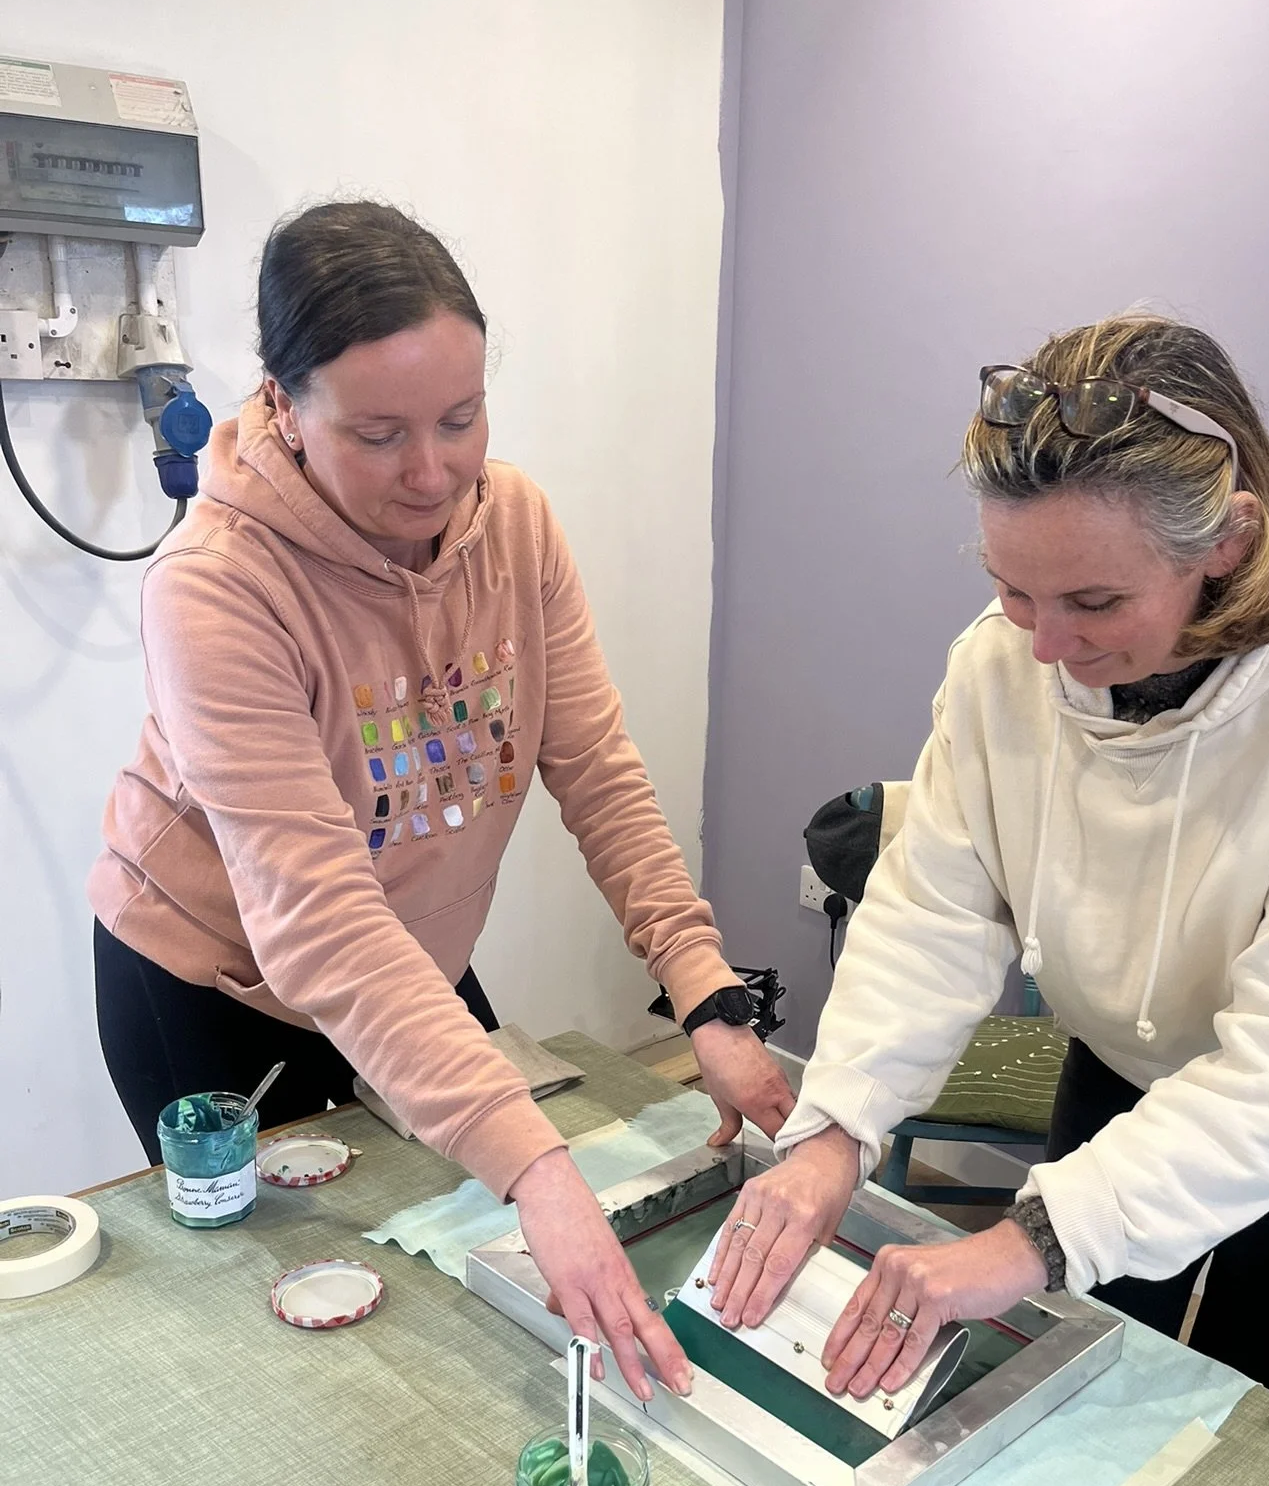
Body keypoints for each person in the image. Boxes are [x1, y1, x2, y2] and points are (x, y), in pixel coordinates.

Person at [707, 314, 1269, 1411]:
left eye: (1095, 601)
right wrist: (838, 1124)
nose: (1044, 644)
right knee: (1071, 1377)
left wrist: (1023, 1234)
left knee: (1225, 1413)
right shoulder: (1003, 664)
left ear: (1227, 540)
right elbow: (935, 911)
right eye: (1011, 587)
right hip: (1129, 1056)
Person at [91, 200, 793, 1400]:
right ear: (284, 404)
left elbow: (601, 775)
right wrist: (538, 1165)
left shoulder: (512, 523)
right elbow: (317, 920)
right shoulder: (214, 588)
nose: (434, 470)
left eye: (460, 419)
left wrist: (709, 998)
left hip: (414, 955)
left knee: (467, 1271)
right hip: (220, 992)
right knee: (322, 1339)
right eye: (378, 433)